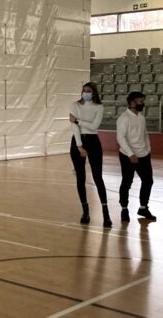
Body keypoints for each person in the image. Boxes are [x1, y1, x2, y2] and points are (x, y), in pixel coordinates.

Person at [68, 82, 111, 227]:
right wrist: (79, 146)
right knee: (81, 178)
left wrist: (78, 120)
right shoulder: (75, 105)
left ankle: (106, 213)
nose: (85, 93)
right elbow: (74, 128)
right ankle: (85, 211)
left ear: (94, 93)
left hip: (93, 141)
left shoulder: (99, 107)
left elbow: (94, 126)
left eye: (89, 91)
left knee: (98, 178)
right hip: (78, 141)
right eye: (84, 90)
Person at [116, 91, 156, 222]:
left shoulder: (141, 117)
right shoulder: (123, 118)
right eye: (141, 101)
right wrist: (130, 154)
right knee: (127, 182)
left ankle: (143, 208)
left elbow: (145, 134)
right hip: (128, 156)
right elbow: (120, 137)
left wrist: (148, 149)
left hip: (143, 155)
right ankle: (124, 209)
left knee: (148, 181)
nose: (143, 104)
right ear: (132, 102)